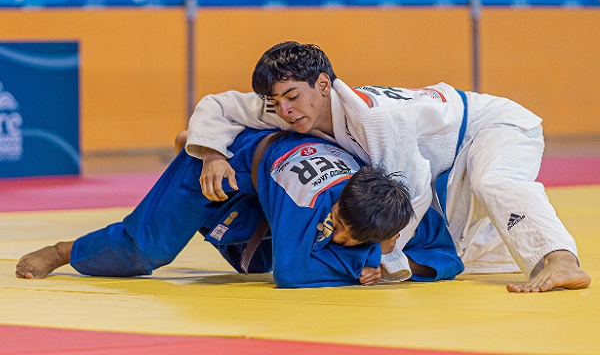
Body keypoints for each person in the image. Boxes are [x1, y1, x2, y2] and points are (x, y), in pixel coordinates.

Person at [184, 41, 591, 293]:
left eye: (292, 95)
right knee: (465, 250)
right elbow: (217, 105)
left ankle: (561, 261)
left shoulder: (376, 120)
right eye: (276, 101)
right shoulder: (285, 108)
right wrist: (212, 152)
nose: (284, 110)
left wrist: (388, 260)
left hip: (490, 123)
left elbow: (411, 193)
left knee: (493, 181)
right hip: (444, 159)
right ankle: (527, 255)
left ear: (323, 84)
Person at [16, 128, 465, 288]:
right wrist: (361, 265)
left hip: (262, 184)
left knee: (254, 265)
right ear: (340, 198)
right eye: (341, 223)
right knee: (149, 250)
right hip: (224, 172)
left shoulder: (400, 208)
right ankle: (63, 251)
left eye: (352, 237)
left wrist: (395, 262)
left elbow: (449, 259)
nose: (339, 234)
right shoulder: (311, 201)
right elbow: (292, 275)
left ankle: (195, 151)